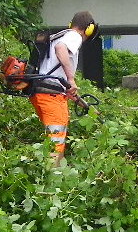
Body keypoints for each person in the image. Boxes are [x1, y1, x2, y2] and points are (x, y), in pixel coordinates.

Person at [30, 11, 98, 164]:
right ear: (89, 29)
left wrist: (79, 100)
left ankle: (56, 173)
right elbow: (60, 49)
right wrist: (71, 79)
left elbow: (54, 75)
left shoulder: (59, 36)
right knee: (56, 143)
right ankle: (51, 177)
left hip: (41, 92)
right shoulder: (74, 36)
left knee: (55, 140)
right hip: (51, 96)